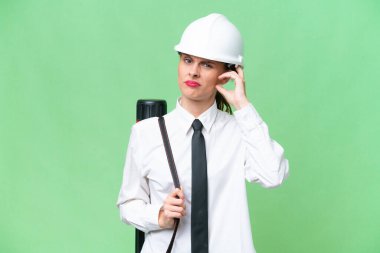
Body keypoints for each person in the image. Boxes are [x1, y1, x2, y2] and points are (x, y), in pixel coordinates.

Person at [117, 13, 289, 253]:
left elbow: (273, 175)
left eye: (207, 64)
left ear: (227, 74)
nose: (194, 72)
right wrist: (159, 215)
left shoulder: (241, 131)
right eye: (187, 60)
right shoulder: (146, 133)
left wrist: (243, 107)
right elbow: (128, 204)